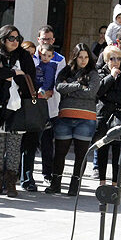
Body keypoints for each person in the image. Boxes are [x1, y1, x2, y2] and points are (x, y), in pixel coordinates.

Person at [0, 24, 36, 197]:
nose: (14, 42)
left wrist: (8, 75)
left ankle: (11, 184)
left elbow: (29, 78)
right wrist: (13, 72)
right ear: (3, 39)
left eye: (17, 39)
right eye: (11, 38)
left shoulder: (24, 56)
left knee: (14, 147)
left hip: (18, 108)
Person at [45, 43, 100, 195]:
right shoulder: (66, 71)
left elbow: (91, 93)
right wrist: (79, 86)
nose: (83, 60)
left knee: (81, 155)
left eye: (86, 57)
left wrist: (70, 89)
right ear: (75, 57)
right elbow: (59, 87)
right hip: (65, 117)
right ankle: (55, 184)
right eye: (80, 57)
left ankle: (74, 187)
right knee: (60, 152)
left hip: (86, 118)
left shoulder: (93, 73)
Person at [25, 25, 65, 190]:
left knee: (47, 143)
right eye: (43, 39)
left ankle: (47, 175)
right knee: (29, 143)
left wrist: (49, 92)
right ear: (38, 39)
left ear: (53, 41)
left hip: (50, 106)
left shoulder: (59, 59)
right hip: (32, 106)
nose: (46, 42)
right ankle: (27, 177)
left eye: (49, 39)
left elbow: (59, 81)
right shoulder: (32, 57)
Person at [95, 45, 121, 186]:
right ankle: (102, 182)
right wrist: (111, 77)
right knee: (103, 149)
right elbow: (99, 91)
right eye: (112, 58)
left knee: (118, 151)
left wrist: (109, 95)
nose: (116, 61)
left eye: (118, 58)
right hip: (104, 116)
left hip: (120, 116)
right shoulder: (100, 72)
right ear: (106, 60)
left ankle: (115, 183)